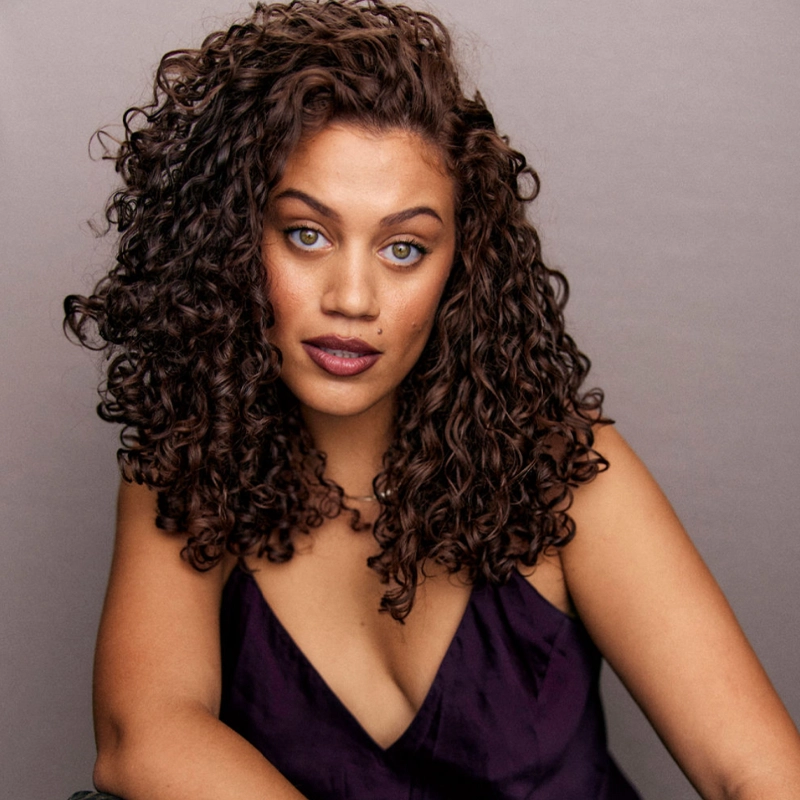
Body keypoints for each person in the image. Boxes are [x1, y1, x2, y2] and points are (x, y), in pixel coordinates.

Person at [63, 1, 800, 798]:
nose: (352, 298)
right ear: (231, 242)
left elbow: (758, 773)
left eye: (404, 248)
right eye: (307, 233)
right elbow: (144, 737)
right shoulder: (188, 465)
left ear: (460, 269)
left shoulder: (567, 471)